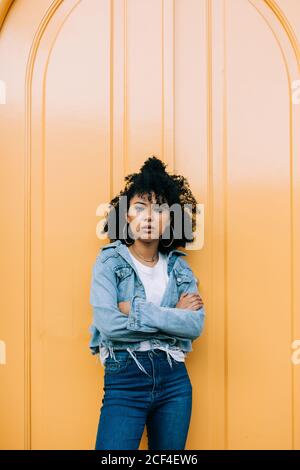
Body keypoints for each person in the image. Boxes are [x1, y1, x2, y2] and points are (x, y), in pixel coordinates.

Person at [89, 156, 206, 450]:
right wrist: (171, 318)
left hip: (174, 381)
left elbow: (194, 324)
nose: (149, 217)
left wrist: (136, 310)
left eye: (160, 210)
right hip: (125, 379)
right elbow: (110, 327)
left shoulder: (179, 268)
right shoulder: (109, 262)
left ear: (171, 220)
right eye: (140, 208)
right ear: (125, 215)